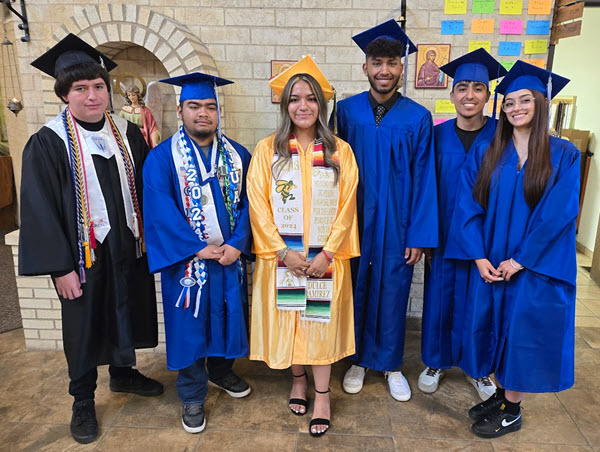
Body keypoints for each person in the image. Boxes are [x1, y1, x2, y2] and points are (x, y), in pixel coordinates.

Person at [19, 34, 162, 444]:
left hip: (126, 246)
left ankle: (122, 373)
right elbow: (39, 208)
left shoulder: (127, 133)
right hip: (83, 256)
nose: (92, 95)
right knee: (83, 326)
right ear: (65, 94)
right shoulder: (48, 142)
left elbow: (150, 185)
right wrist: (61, 267)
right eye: (80, 88)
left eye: (98, 86)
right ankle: (82, 400)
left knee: (125, 309)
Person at [444, 61, 577, 438]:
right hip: (493, 262)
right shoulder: (489, 150)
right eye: (509, 103)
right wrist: (479, 256)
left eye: (525, 101)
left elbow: (559, 214)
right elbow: (467, 204)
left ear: (540, 103)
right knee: (495, 329)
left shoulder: (562, 154)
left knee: (520, 334)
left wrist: (521, 259)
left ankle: (513, 410)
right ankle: (503, 396)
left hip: (534, 266)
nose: (516, 108)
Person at [248, 55, 359, 437]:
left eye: (311, 98)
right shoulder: (268, 150)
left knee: (318, 324)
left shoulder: (339, 152)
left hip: (326, 257)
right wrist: (282, 252)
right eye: (295, 98)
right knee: (292, 319)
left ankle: (323, 395)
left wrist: (327, 252)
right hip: (283, 258)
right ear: (285, 105)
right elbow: (258, 204)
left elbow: (347, 206)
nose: (303, 106)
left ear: (321, 105)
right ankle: (298, 381)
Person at [143, 73, 252, 434]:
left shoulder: (239, 155)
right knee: (190, 325)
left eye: (209, 106)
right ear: (180, 110)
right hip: (188, 263)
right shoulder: (161, 159)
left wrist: (237, 243)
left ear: (218, 111)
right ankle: (191, 394)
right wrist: (197, 247)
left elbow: (254, 206)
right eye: (194, 106)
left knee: (226, 315)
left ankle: (221, 373)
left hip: (228, 259)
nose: (202, 113)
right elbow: (159, 210)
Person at [335, 19, 438, 402]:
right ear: (365, 66)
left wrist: (419, 235)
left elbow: (427, 178)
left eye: (392, 62)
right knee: (356, 286)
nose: (384, 70)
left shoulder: (418, 118)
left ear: (402, 67)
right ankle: (359, 359)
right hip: (355, 221)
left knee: (394, 291)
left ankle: (391, 363)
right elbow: (330, 171)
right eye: (377, 62)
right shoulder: (345, 112)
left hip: (399, 223)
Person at [419, 48, 507, 400]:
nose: (469, 95)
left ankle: (478, 369)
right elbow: (424, 189)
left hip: (486, 241)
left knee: (479, 304)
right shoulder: (437, 136)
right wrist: (424, 237)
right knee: (439, 299)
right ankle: (435, 361)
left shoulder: (503, 135)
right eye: (463, 88)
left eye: (478, 88)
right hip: (442, 236)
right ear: (452, 94)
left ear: (488, 95)